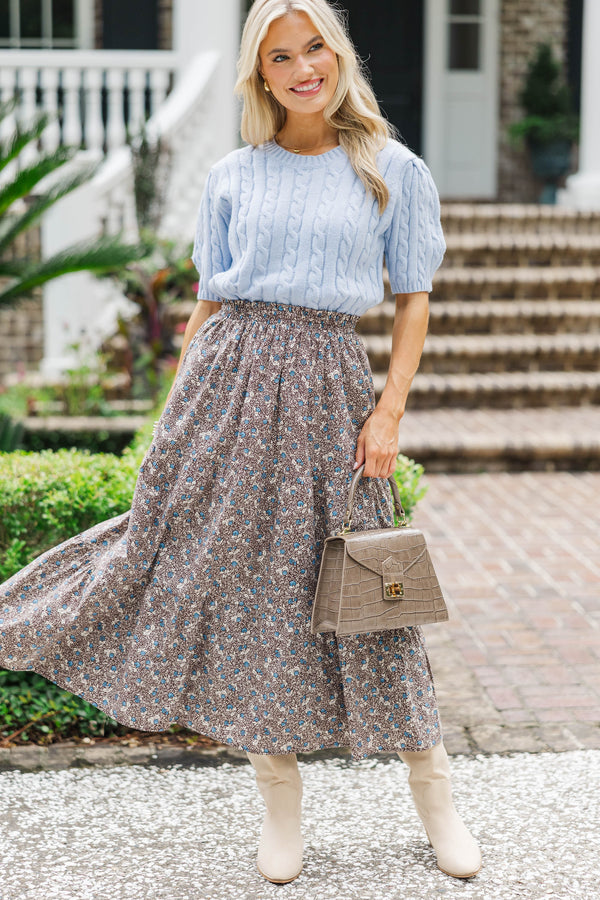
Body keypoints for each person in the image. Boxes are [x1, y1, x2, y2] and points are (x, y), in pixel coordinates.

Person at [0, 0, 481, 886]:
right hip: (227, 383)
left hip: (331, 385)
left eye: (315, 50)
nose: (304, 69)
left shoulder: (391, 168)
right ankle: (280, 805)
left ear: (338, 56)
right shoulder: (234, 174)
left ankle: (435, 794)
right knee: (251, 595)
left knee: (375, 587)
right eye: (281, 56)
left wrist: (389, 412)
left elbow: (412, 296)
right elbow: (210, 306)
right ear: (261, 74)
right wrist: (175, 420)